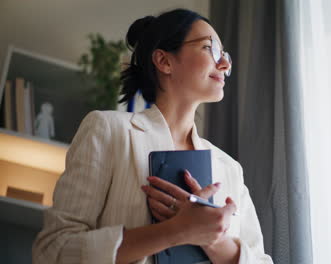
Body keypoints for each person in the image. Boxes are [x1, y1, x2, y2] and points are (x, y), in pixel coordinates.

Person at [32, 8, 273, 264]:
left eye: (224, 55)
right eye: (209, 48)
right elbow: (53, 251)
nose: (223, 64)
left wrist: (214, 239)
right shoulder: (108, 130)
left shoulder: (230, 169)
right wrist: (176, 231)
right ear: (164, 61)